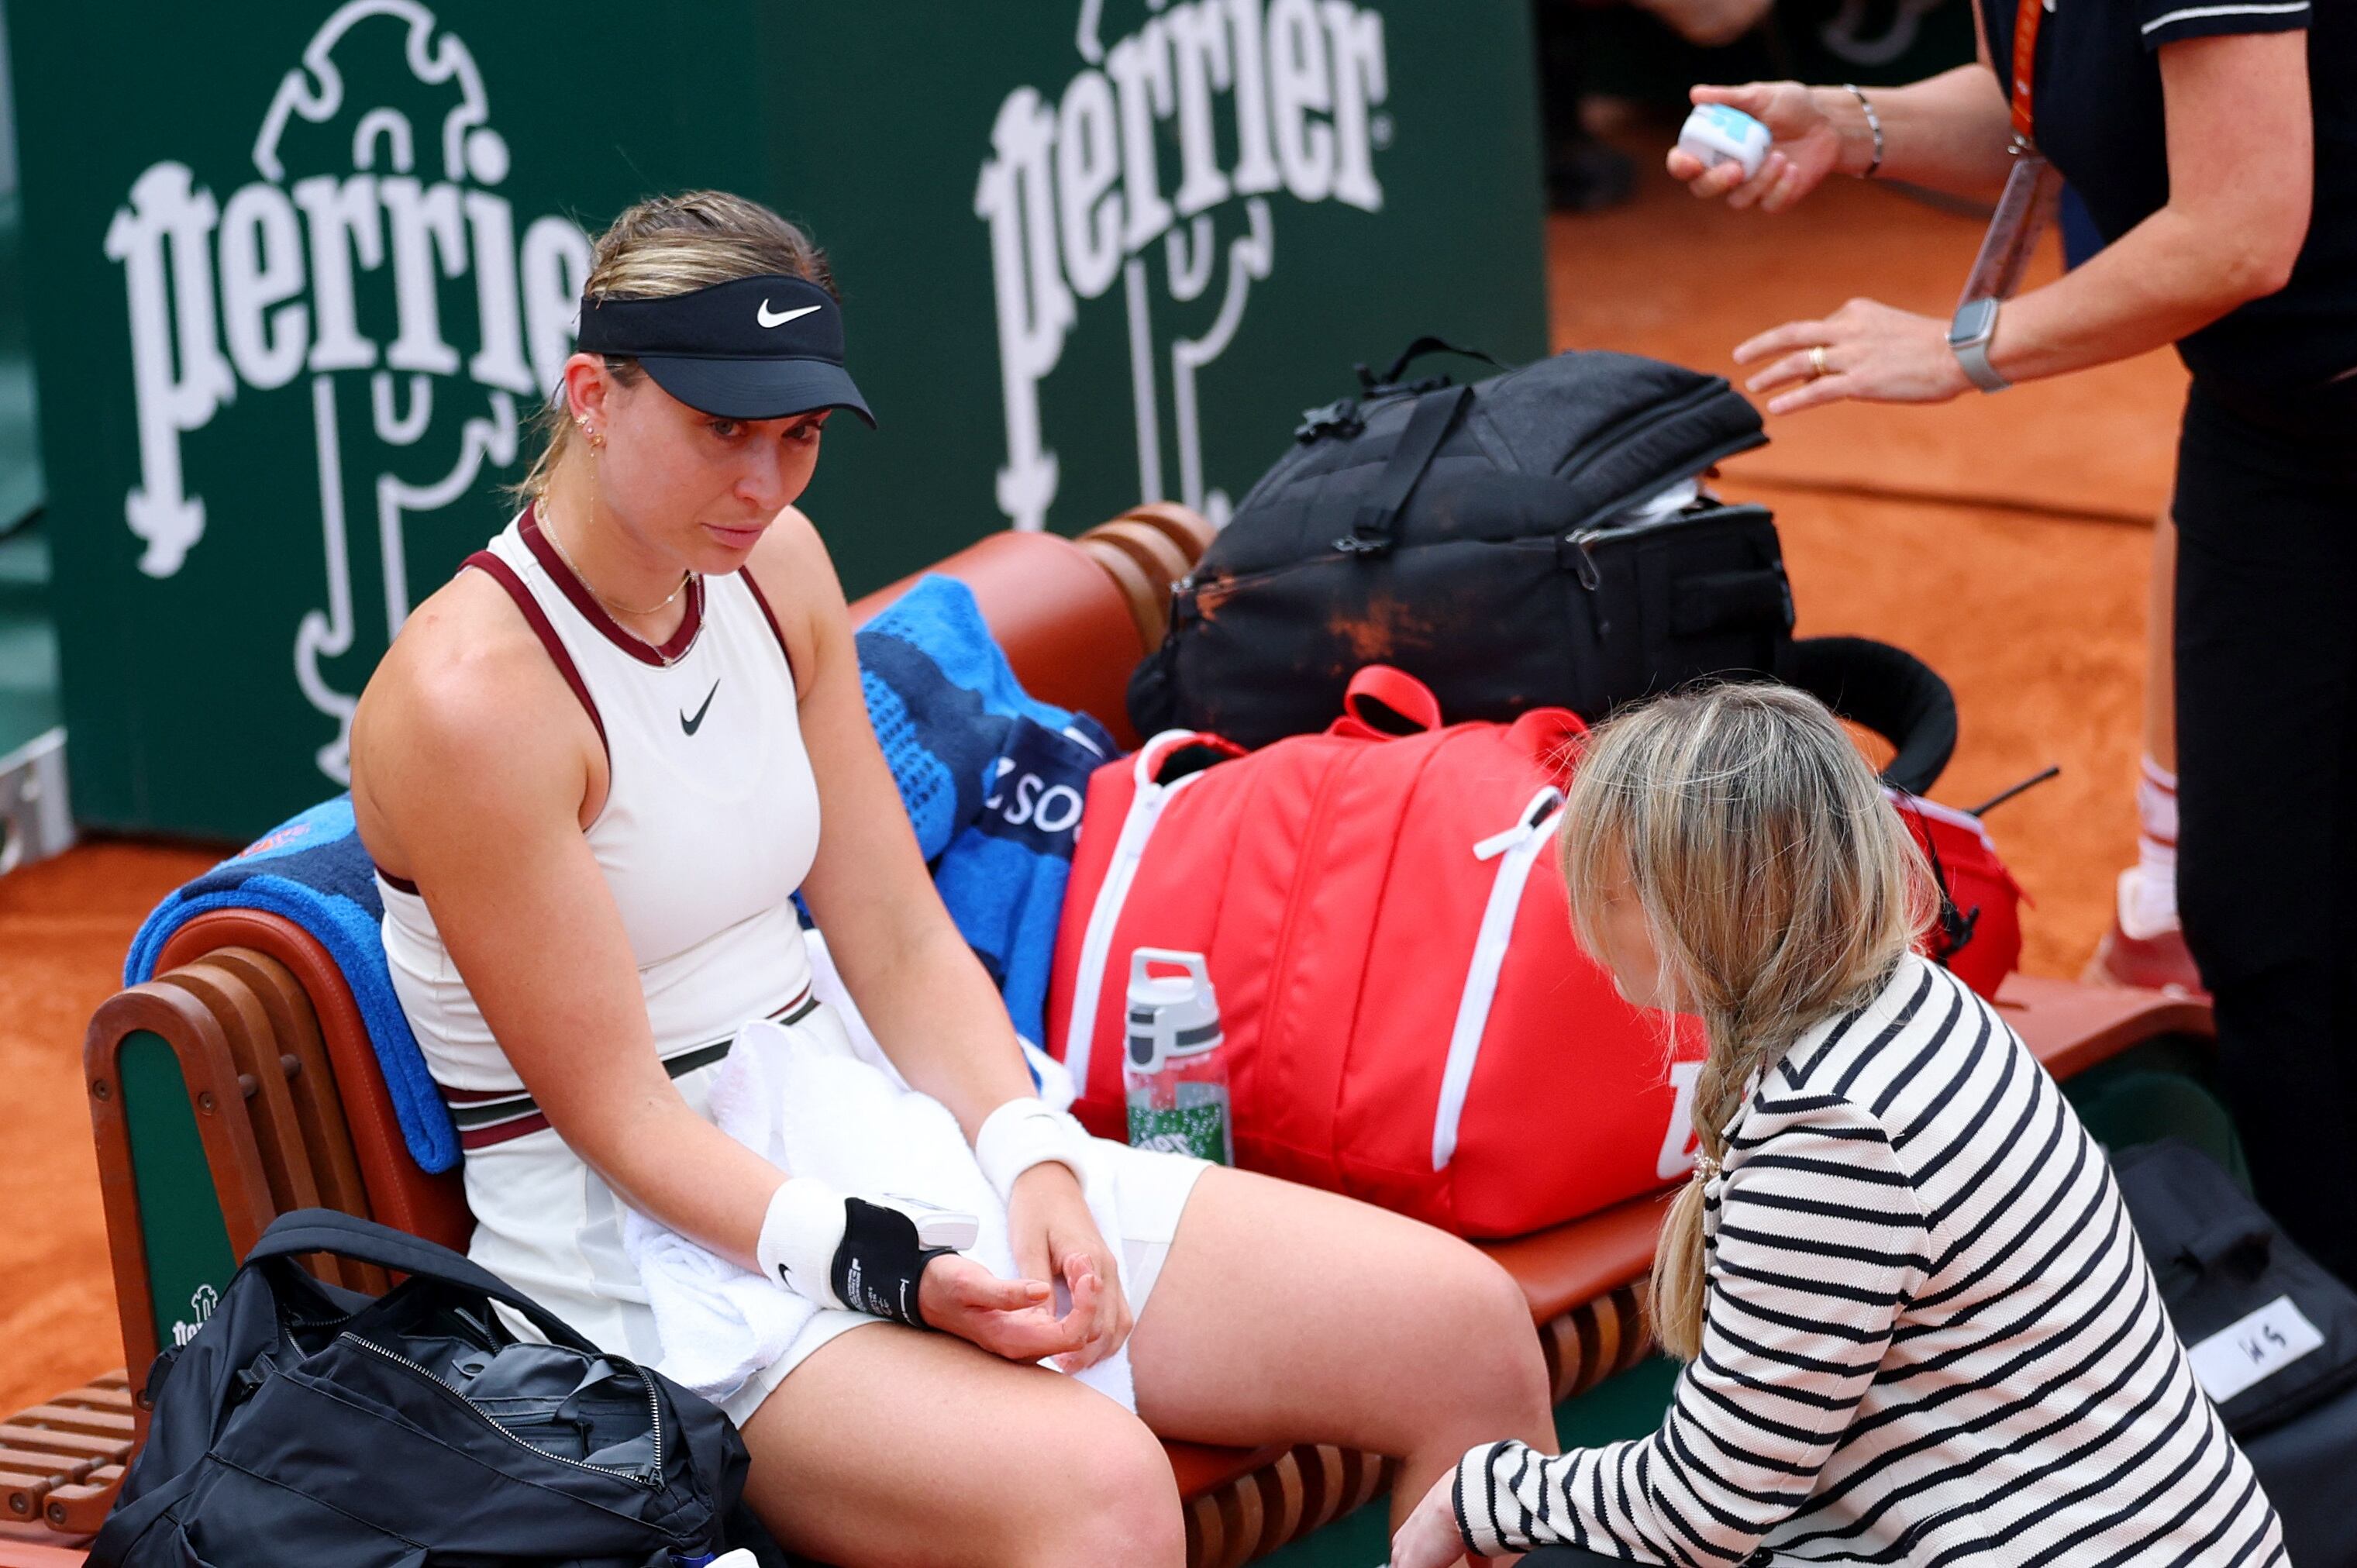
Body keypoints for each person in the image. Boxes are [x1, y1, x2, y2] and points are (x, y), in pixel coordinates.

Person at [350, 191, 1555, 1567]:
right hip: (641, 1258)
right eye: (721, 430)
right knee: (1103, 1495)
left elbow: (895, 933)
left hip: (852, 1139)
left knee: (1460, 1333)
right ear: (592, 394)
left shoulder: (772, 562)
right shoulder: (470, 703)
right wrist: (891, 1268)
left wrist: (1030, 1158)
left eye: (796, 436)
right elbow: (623, 1119)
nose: (765, 483)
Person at [1653, 0, 2356, 1283]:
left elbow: (2242, 226)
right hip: (2277, 429)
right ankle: (2328, 1379)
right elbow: (2053, 100)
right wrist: (1850, 125)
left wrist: (1964, 347)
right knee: (2266, 931)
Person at [1389, 684, 2287, 1568]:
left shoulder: (1828, 1133)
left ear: (1700, 905)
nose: (1584, 910)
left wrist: (1484, 1493)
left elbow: (1706, 1511)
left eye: (1613, 885)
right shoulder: (1915, 1001)